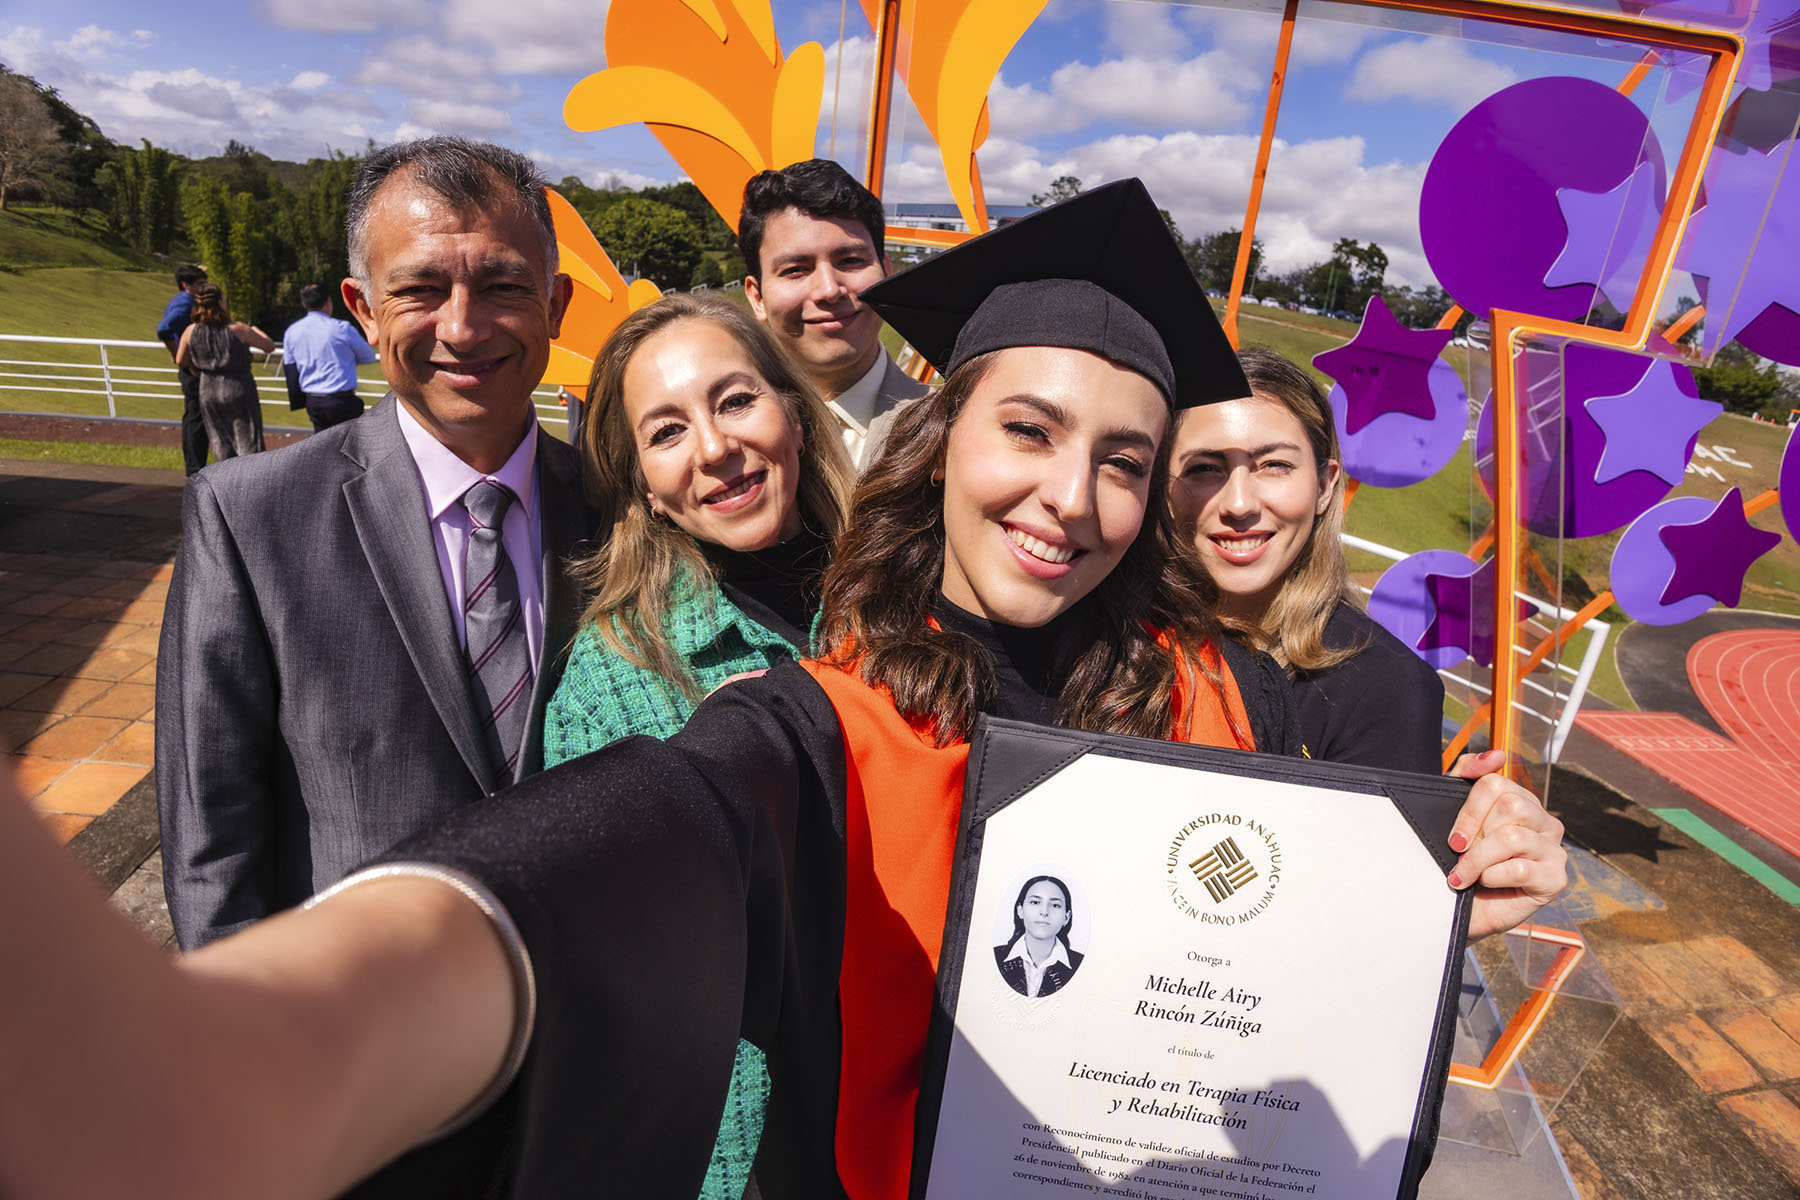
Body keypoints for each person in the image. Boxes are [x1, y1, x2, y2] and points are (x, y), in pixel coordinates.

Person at [12, 181, 1564, 1200]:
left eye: (1123, 460)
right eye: (1027, 431)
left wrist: (1447, 881)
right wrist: (278, 1051)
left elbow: (1301, 964)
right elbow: (621, 848)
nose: (1068, 496)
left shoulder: (1231, 694)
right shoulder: (819, 725)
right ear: (942, 443)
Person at [155, 136, 591, 964]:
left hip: (588, 1003)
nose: (463, 327)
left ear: (556, 303)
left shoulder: (623, 510)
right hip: (358, 1011)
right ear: (362, 307)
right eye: (420, 289)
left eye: (504, 285)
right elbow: (212, 835)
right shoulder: (250, 519)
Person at [542, 292, 855, 1198]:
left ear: (794, 412)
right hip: (747, 1139)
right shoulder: (609, 681)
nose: (715, 448)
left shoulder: (908, 602)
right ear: (644, 483)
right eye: (667, 431)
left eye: (736, 400)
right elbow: (605, 968)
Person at [1168, 347, 1446, 773]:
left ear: (1324, 487)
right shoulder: (1111, 633)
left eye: (1275, 465)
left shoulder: (1388, 690)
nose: (1239, 504)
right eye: (1205, 468)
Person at [739, 159, 929, 468]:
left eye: (851, 261)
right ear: (757, 297)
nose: (829, 290)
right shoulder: (727, 440)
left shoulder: (954, 430)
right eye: (796, 269)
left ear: (886, 273)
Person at [174, 283, 275, 460]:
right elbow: (269, 346)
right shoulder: (238, 329)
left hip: (208, 388)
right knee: (248, 439)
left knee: (219, 439)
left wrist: (197, 368)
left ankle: (225, 473)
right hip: (238, 386)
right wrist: (256, 330)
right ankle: (249, 474)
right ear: (221, 302)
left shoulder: (191, 331)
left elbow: (180, 360)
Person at [282, 282, 379, 430]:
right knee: (351, 442)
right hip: (342, 401)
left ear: (303, 303)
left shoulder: (292, 331)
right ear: (328, 301)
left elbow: (290, 366)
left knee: (322, 442)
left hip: (313, 401)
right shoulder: (341, 328)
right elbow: (368, 356)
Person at [156, 262, 211, 475]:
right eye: (199, 284)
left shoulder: (183, 301)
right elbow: (164, 329)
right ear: (185, 284)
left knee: (195, 416)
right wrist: (177, 354)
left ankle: (196, 466)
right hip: (192, 369)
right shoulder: (185, 305)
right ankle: (195, 468)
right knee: (196, 418)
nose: (203, 288)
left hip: (191, 366)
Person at [995, 875, 1082, 998]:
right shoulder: (995, 956)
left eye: (1055, 905)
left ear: (1066, 917)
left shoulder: (1081, 965)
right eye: (1035, 902)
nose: (1044, 912)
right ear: (1020, 910)